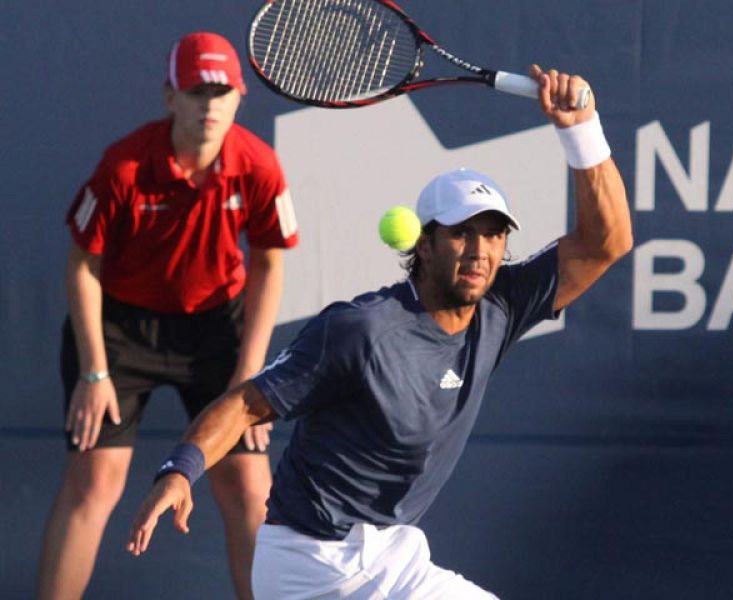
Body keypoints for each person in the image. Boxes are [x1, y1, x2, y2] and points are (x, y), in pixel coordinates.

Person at [126, 64, 631, 599]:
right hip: (313, 567)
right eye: (461, 234)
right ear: (425, 242)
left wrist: (582, 130)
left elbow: (606, 243)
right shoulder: (362, 330)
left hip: (394, 557)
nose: (480, 251)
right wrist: (180, 471)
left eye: (494, 235)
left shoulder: (501, 304)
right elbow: (249, 404)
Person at [36, 32, 299, 600]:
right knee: (93, 484)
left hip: (216, 330)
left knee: (251, 488)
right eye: (196, 91)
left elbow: (270, 265)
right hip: (120, 331)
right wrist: (94, 372)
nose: (209, 105)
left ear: (239, 98)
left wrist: (250, 375)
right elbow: (82, 267)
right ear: (170, 97)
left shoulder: (257, 165)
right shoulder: (125, 166)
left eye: (221, 92)